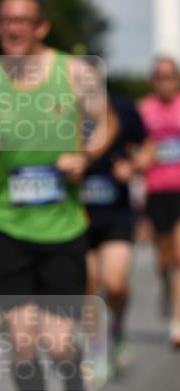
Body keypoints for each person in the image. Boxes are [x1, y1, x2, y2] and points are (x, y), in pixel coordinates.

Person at [0, 0, 116, 391]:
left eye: (23, 21)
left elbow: (105, 124)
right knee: (22, 342)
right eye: (6, 21)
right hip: (9, 224)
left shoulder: (76, 74)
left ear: (42, 27)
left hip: (64, 227)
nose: (14, 29)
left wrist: (86, 155)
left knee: (59, 341)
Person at [81, 91, 147, 375]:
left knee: (115, 284)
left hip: (116, 213)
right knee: (88, 285)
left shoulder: (122, 107)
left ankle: (118, 326)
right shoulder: (57, 109)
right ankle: (96, 349)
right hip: (76, 215)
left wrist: (132, 167)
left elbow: (148, 147)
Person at [138, 56, 180, 350]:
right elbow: (136, 149)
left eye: (170, 76)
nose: (164, 81)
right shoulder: (144, 110)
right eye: (159, 76)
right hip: (156, 192)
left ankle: (177, 321)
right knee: (163, 260)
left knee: (179, 255)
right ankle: (168, 290)